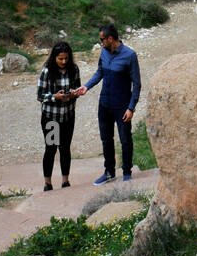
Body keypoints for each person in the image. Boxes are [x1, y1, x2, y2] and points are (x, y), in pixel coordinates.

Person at [75, 22, 142, 185]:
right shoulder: (104, 53)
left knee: (125, 139)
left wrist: (131, 108)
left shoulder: (129, 56)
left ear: (110, 39)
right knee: (106, 139)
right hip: (104, 104)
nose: (100, 43)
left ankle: (127, 173)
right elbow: (100, 72)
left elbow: (137, 84)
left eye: (102, 39)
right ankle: (109, 172)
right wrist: (86, 87)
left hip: (122, 106)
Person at [37, 40, 81, 192]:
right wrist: (54, 97)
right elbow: (40, 95)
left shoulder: (74, 69)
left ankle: (65, 181)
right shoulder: (47, 72)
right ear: (54, 57)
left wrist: (73, 94)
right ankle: (47, 183)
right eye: (60, 59)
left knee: (65, 148)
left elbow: (77, 89)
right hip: (51, 118)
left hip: (68, 117)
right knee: (51, 148)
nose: (63, 61)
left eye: (66, 58)